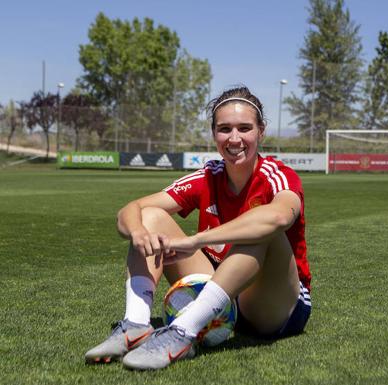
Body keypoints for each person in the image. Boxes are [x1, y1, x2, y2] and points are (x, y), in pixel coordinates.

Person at [84, 86, 312, 370]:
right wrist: (138, 232)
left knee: (262, 228)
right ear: (214, 133)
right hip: (225, 297)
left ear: (261, 132)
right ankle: (136, 324)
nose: (234, 138)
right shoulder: (207, 176)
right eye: (225, 129)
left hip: (274, 306)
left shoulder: (277, 175)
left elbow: (278, 218)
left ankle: (182, 333)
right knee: (150, 216)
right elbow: (130, 211)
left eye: (245, 128)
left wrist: (196, 240)